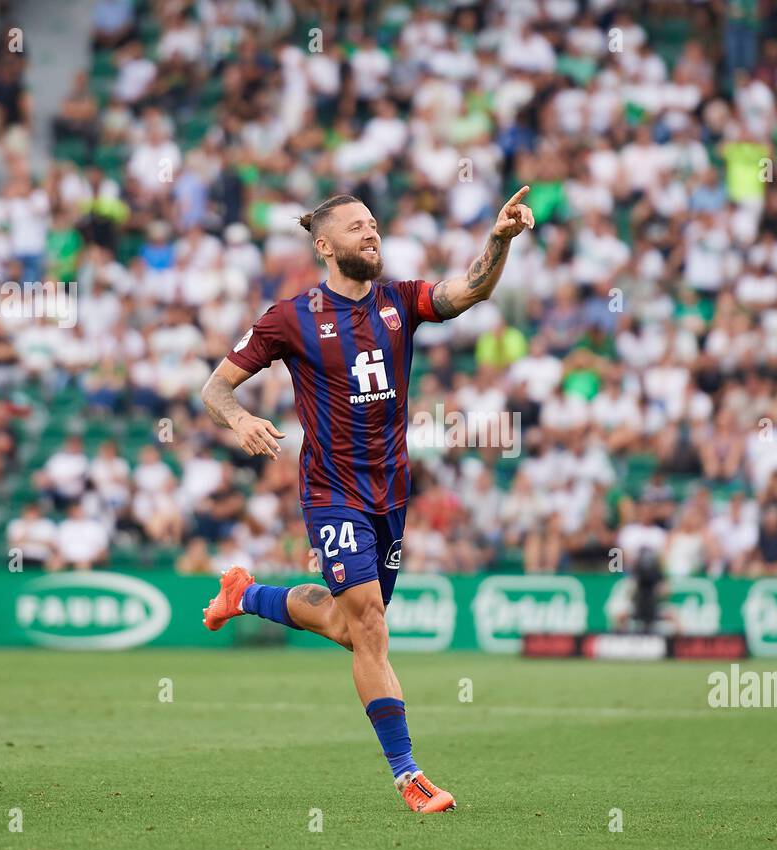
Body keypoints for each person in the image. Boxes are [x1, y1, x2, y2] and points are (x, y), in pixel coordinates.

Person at [199, 188, 535, 813]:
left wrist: (501, 239)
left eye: (374, 225)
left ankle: (244, 596)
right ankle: (410, 777)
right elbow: (215, 388)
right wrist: (239, 420)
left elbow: (470, 291)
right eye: (357, 228)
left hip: (391, 493)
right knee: (372, 624)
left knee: (347, 627)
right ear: (324, 245)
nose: (371, 234)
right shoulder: (289, 318)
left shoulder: (399, 301)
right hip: (331, 492)